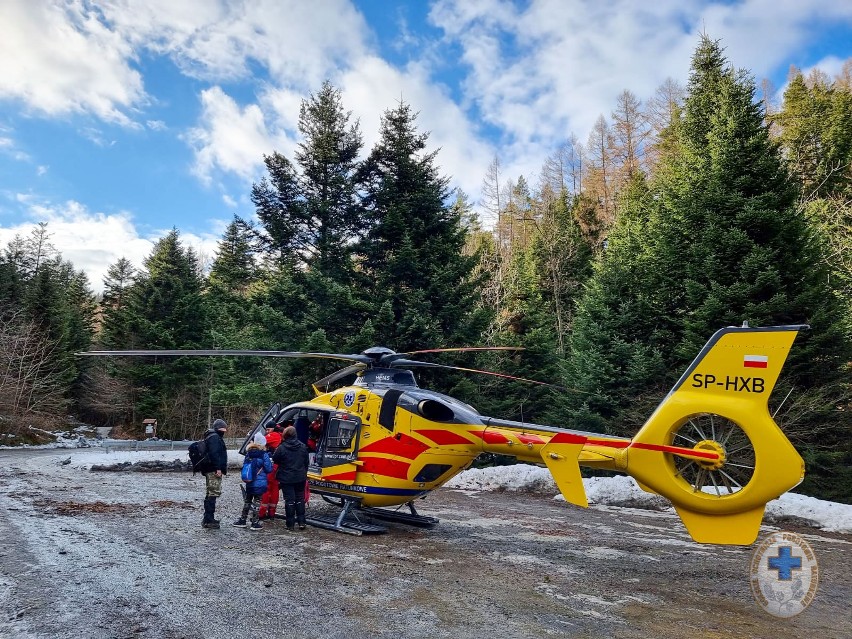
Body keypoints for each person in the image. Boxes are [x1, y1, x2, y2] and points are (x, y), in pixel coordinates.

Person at [272, 425, 309, 530]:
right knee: (300, 499)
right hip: (300, 477)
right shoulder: (302, 446)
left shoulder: (282, 448)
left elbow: (275, 459)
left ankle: (290, 524)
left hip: (286, 477)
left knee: (289, 500)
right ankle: (302, 522)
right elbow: (306, 462)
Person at [233, 432, 273, 531]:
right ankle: (254, 523)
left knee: (247, 500)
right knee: (257, 502)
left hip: (250, 481)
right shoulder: (263, 455)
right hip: (260, 483)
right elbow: (269, 469)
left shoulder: (248, 453)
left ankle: (242, 520)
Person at [202, 418, 229, 529]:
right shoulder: (215, 438)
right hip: (213, 470)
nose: (224, 431)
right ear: (218, 428)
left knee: (211, 493)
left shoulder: (211, 436)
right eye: (223, 428)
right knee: (213, 493)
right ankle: (209, 520)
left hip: (210, 469)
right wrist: (218, 468)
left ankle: (208, 518)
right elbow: (215, 454)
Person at [258, 430, 282, 520]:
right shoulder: (281, 436)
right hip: (277, 468)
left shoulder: (273, 435)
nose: (267, 431)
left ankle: (261, 514)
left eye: (268, 429)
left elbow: (262, 441)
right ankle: (272, 513)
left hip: (271, 467)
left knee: (266, 490)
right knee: (275, 490)